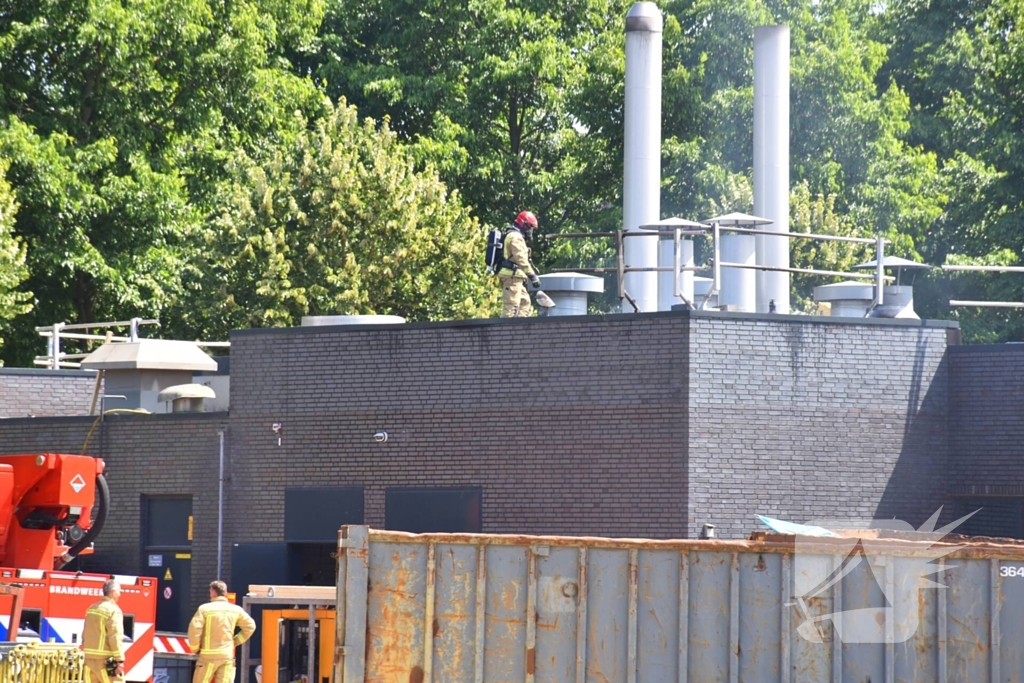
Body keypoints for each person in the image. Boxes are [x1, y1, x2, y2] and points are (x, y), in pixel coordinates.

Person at [188, 580, 256, 683]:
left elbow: (194, 629)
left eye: (210, 592)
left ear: (214, 592)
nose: (210, 594)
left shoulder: (204, 609)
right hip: (226, 655)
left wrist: (195, 648)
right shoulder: (236, 610)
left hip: (208, 656)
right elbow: (250, 626)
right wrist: (236, 641)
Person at [497, 210, 542, 317]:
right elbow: (520, 258)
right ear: (524, 225)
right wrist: (532, 276)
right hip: (511, 277)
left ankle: (519, 331)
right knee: (511, 308)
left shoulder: (515, 236)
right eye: (530, 227)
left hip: (516, 277)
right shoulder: (515, 237)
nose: (531, 231)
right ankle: (506, 331)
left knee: (525, 304)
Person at [82, 579, 124, 683]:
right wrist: (120, 660)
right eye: (119, 591)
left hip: (89, 661)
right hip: (105, 662)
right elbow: (115, 636)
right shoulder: (114, 610)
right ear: (113, 592)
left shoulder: (92, 608)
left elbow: (85, 633)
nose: (120, 594)